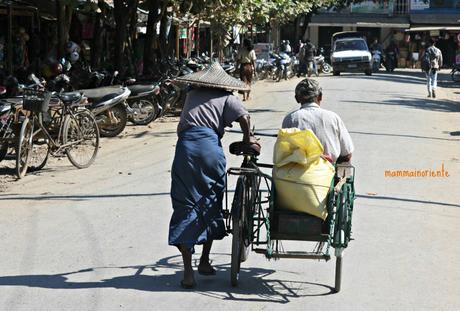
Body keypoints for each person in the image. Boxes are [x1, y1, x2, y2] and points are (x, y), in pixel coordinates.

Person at [169, 62, 257, 289]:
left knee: (185, 204)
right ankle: (205, 261)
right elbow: (245, 119)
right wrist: (248, 141)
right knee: (210, 202)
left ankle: (188, 272)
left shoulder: (192, 95)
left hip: (185, 149)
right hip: (209, 150)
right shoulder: (228, 98)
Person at [282, 78, 354, 163]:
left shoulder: (290, 119)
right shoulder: (333, 117)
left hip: (295, 172)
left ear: (297, 98)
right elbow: (347, 154)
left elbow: (284, 152)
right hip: (327, 172)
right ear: (320, 96)